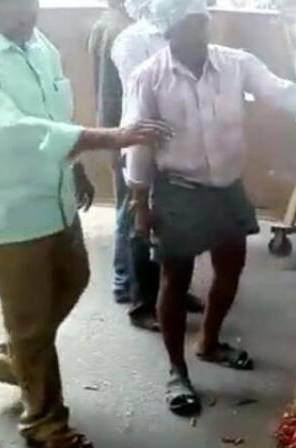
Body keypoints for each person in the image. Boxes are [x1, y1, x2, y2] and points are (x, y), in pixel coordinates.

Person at [124, 0, 296, 417]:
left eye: (202, 23)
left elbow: (283, 91)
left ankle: (209, 342)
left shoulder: (236, 64)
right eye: (187, 27)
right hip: (178, 188)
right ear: (167, 32)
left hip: (226, 186)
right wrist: (140, 203)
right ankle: (176, 371)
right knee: (175, 281)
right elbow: (139, 143)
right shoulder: (149, 78)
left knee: (231, 266)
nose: (199, 34)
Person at [0, 0, 170, 446]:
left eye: (31, 2)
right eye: (15, 7)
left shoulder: (38, 44)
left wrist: (74, 164)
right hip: (7, 214)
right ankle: (44, 424)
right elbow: (9, 129)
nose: (29, 13)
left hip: (54, 199)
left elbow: (56, 112)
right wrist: (110, 137)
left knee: (74, 279)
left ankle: (16, 355)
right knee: (32, 319)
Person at [111, 0, 204, 331]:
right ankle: (143, 303)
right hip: (145, 143)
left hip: (180, 147)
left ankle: (174, 291)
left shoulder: (182, 34)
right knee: (141, 223)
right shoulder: (132, 40)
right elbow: (143, 95)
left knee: (176, 225)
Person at [89, 0, 133, 305]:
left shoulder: (112, 22)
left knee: (135, 210)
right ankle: (126, 283)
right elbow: (109, 94)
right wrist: (113, 141)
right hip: (125, 135)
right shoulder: (117, 29)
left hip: (126, 134)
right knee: (130, 211)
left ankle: (143, 282)